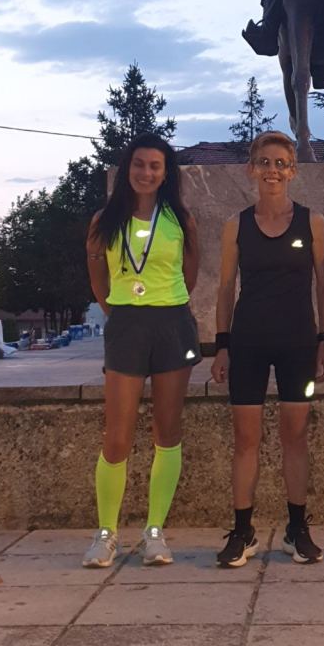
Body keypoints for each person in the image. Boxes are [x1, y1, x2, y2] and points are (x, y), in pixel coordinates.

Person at [211, 131, 324, 566]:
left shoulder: (312, 222)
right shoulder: (236, 225)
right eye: (264, 162)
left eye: (281, 163)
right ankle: (243, 531)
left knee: (294, 437)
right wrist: (221, 345)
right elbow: (226, 287)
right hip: (248, 342)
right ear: (251, 169)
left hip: (298, 343)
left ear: (293, 171)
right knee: (246, 439)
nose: (272, 171)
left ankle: (297, 529)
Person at [82, 133, 201, 568]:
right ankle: (106, 533)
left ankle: (154, 532)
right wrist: (119, 311)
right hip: (126, 325)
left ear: (166, 173)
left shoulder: (180, 219)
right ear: (126, 169)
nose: (146, 173)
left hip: (172, 324)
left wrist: (165, 303)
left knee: (167, 431)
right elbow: (98, 275)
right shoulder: (104, 220)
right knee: (117, 435)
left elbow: (190, 272)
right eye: (138, 164)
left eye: (154, 166)